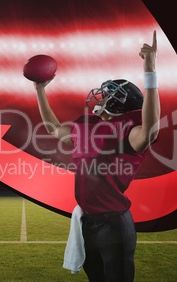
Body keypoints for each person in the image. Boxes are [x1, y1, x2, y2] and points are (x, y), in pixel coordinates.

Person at [32, 31, 160, 281]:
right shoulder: (87, 127)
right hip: (87, 222)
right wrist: (39, 89)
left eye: (110, 94)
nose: (102, 95)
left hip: (114, 224)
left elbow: (150, 131)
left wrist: (150, 71)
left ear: (120, 106)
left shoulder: (130, 131)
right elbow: (53, 128)